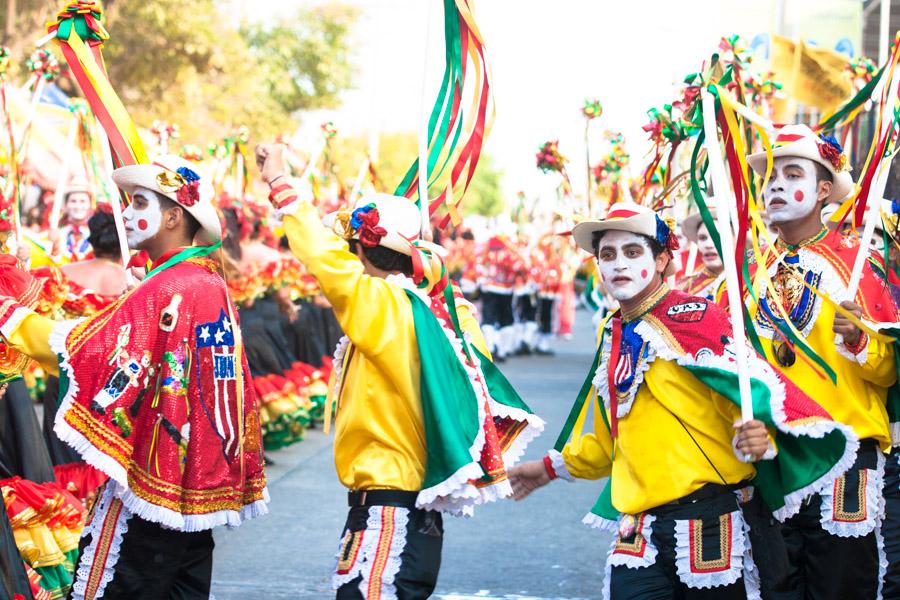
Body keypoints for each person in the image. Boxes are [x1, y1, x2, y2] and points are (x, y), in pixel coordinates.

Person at [509, 202, 858, 599]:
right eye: (607, 255)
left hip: (709, 523)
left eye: (632, 252)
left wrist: (762, 437)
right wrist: (548, 469)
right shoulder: (615, 333)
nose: (618, 264)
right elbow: (614, 438)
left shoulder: (697, 318)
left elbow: (752, 394)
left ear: (662, 260)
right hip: (637, 529)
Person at [256, 143, 543, 599]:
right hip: (409, 511)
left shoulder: (387, 306)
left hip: (389, 509)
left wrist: (281, 184)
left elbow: (325, 261)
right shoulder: (447, 313)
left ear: (360, 253)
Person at [0, 155, 267, 599]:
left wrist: (11, 316)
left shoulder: (169, 287)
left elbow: (86, 353)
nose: (125, 214)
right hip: (190, 486)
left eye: (139, 202)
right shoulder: (203, 279)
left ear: (172, 216)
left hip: (154, 488)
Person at [745, 124, 899, 598]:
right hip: (774, 458)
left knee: (840, 587)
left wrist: (859, 339)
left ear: (823, 190)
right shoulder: (749, 272)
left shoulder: (856, 263)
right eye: (769, 176)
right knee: (777, 588)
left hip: (845, 455)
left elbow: (889, 371)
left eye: (790, 173)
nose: (774, 185)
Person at [677, 206, 725, 302]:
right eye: (703, 238)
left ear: (735, 239)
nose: (708, 245)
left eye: (717, 236)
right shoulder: (683, 289)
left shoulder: (754, 280)